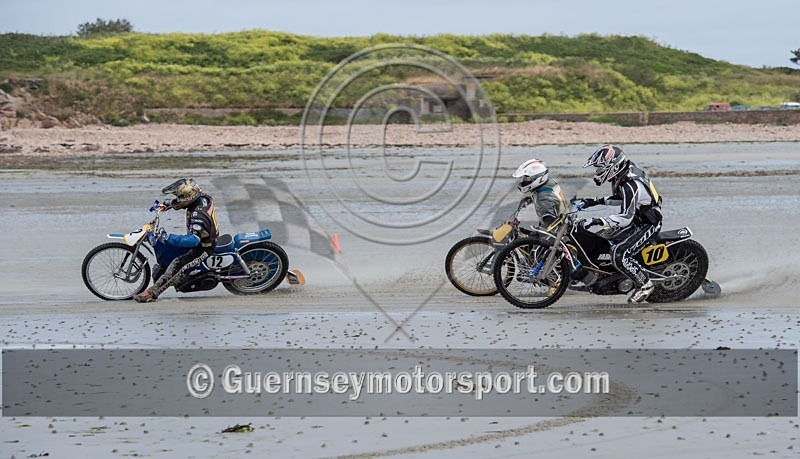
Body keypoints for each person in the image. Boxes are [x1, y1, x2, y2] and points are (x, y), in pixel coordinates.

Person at [577, 145, 663, 303]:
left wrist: (595, 220)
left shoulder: (630, 184)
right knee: (602, 238)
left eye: (599, 168)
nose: (597, 172)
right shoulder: (623, 175)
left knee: (619, 254)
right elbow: (621, 198)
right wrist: (594, 202)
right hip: (637, 217)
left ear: (613, 166)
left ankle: (645, 284)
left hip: (648, 222)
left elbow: (625, 217)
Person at [134, 178, 219, 303]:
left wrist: (167, 237)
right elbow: (185, 201)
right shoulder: (202, 198)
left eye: (179, 196)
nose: (177, 198)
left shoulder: (199, 216)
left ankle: (152, 294)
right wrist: (168, 204)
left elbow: (193, 240)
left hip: (204, 247)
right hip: (203, 237)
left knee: (177, 265)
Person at [512, 158, 568, 227]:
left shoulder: (543, 198)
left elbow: (549, 223)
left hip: (556, 232)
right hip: (563, 220)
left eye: (527, 178)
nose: (524, 181)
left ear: (538, 178)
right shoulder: (548, 182)